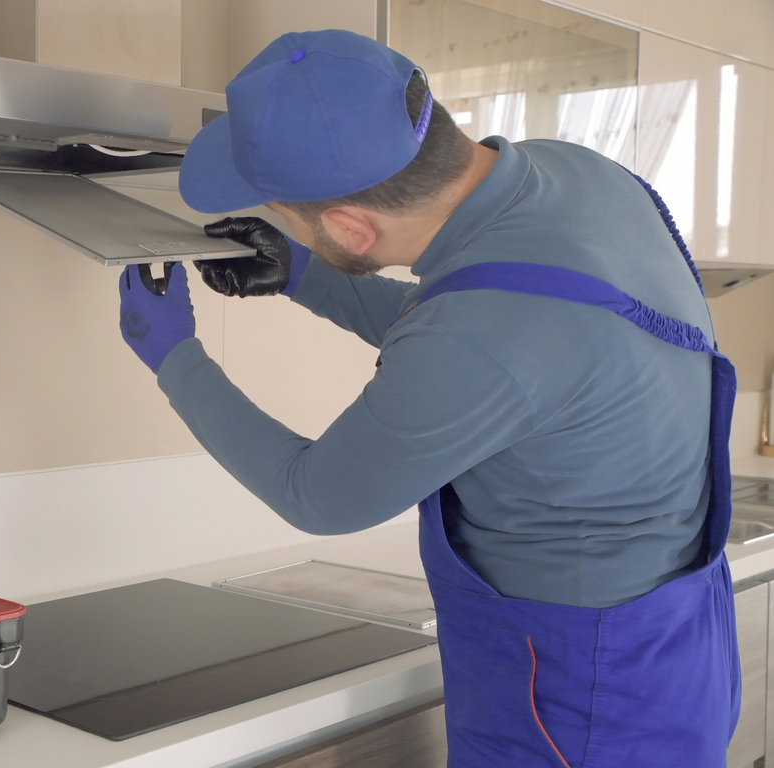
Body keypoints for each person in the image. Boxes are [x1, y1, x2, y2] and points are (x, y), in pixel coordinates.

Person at [118, 29, 739, 767]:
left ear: (350, 225)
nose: (290, 231)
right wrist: (305, 276)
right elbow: (501, 338)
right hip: (676, 646)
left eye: (286, 218)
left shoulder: (480, 336)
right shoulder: (574, 174)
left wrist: (174, 358)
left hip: (576, 697)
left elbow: (320, 496)